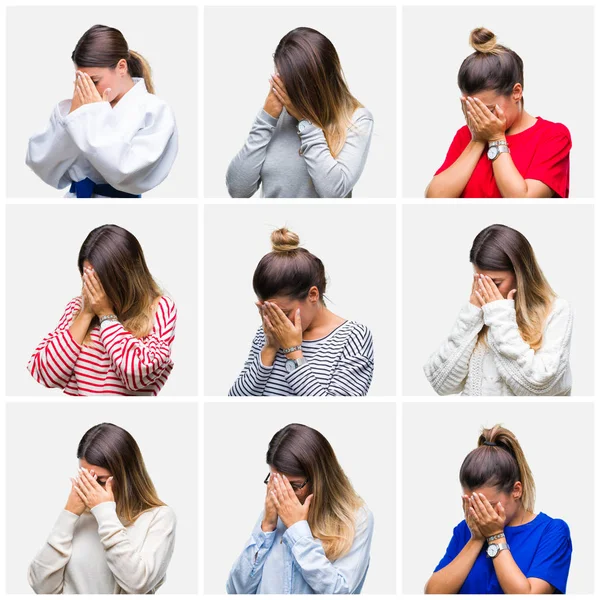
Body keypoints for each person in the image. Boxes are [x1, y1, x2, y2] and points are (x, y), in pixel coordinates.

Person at [26, 25, 178, 198]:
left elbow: (126, 172)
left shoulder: (154, 111)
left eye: (94, 81)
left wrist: (93, 116)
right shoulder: (72, 110)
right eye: (81, 80)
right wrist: (73, 117)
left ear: (121, 67)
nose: (88, 88)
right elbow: (40, 164)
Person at [423, 224, 572, 396]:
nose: (485, 290)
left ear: (520, 275)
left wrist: (500, 317)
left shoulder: (557, 311)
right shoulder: (478, 313)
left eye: (495, 283)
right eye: (480, 280)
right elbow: (440, 384)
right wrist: (471, 315)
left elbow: (538, 387)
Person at [28, 423, 176, 594]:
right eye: (85, 477)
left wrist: (105, 512)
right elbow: (41, 587)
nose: (90, 487)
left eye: (100, 480)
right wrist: (68, 514)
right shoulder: (77, 517)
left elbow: (137, 584)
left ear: (126, 476)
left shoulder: (159, 518)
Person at [28, 224, 177, 395]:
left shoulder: (159, 308)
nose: (93, 288)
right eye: (87, 278)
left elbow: (136, 374)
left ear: (125, 276)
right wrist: (86, 313)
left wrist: (106, 315)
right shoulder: (77, 308)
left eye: (99, 279)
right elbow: (45, 373)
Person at [226, 27, 373, 198]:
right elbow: (238, 190)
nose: (285, 87)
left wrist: (305, 121)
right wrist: (266, 119)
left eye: (294, 82)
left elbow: (334, 193)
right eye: (281, 76)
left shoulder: (357, 119)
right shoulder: (278, 114)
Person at [227, 423, 374, 594]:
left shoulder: (357, 518)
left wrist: (298, 531)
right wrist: (266, 528)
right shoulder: (273, 513)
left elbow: (339, 592)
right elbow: (236, 591)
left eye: (294, 486)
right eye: (276, 482)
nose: (284, 494)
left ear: (320, 479)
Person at [425, 425, 572, 594]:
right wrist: (476, 539)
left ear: (516, 491)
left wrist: (495, 536)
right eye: (473, 504)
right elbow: (433, 593)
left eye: (489, 505)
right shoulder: (465, 531)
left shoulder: (551, 532)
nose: (480, 514)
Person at [426, 27, 571, 198]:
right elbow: (435, 198)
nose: (479, 117)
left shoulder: (552, 136)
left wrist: (496, 139)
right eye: (471, 108)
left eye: (487, 109)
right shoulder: (465, 135)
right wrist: (478, 139)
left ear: (516, 92)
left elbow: (523, 201)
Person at [229, 227, 374, 396]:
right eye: (268, 311)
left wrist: (292, 351)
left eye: (283, 313)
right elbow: (236, 398)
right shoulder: (269, 332)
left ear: (313, 295)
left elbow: (335, 409)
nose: (276, 322)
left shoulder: (354, 337)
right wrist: (269, 347)